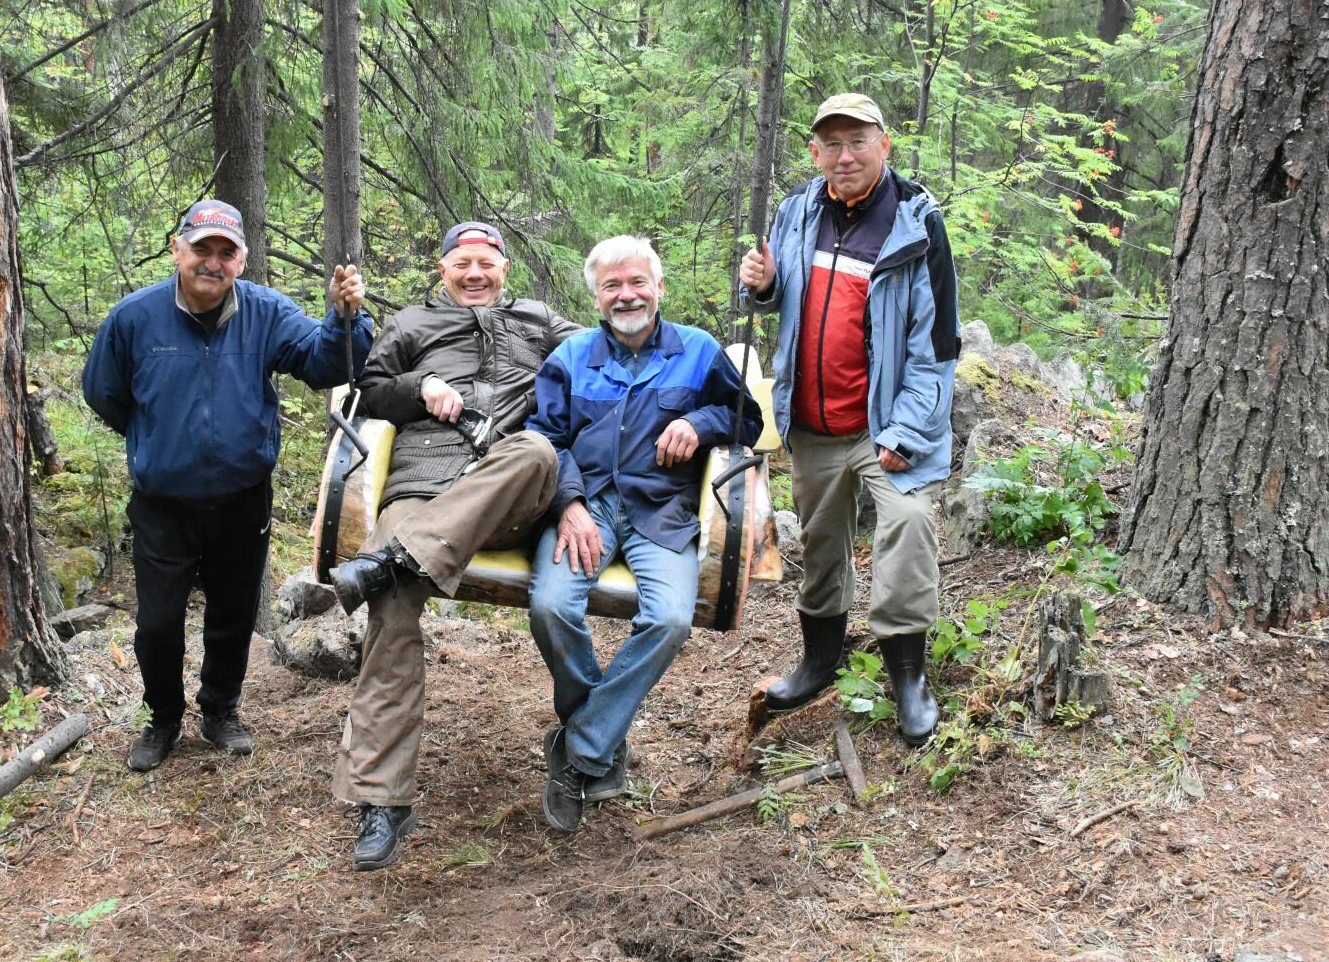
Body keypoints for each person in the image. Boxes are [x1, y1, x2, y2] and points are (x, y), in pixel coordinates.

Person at [83, 199, 372, 772]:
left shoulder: (264, 312)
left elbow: (323, 366)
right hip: (163, 503)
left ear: (241, 259)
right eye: (202, 249)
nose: (212, 262)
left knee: (233, 613)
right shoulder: (134, 318)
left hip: (242, 499)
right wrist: (157, 439)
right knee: (158, 623)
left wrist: (346, 319)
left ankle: (220, 711)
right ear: (177, 250)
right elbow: (104, 393)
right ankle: (162, 718)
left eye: (226, 252)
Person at [328, 221, 580, 871]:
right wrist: (418, 389)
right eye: (461, 263)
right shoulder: (411, 323)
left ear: (504, 269)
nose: (474, 273)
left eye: (485, 263)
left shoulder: (539, 320)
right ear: (442, 270)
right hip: (420, 487)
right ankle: (383, 801)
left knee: (533, 448)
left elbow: (596, 355)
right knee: (390, 615)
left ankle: (389, 562)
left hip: (505, 495)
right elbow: (373, 388)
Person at [738, 92, 960, 746]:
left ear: (883, 145)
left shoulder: (916, 226)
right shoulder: (794, 212)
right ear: (814, 152)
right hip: (810, 420)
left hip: (887, 423)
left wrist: (905, 432)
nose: (844, 156)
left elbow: (936, 345)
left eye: (857, 141)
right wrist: (762, 285)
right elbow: (779, 300)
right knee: (821, 540)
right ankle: (819, 660)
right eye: (830, 144)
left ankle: (907, 674)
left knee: (910, 521)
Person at [527, 235, 763, 834]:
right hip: (589, 508)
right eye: (612, 286)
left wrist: (698, 420)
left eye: (637, 283)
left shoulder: (699, 350)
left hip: (663, 510)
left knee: (670, 619)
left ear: (659, 288)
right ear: (596, 296)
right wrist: (569, 503)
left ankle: (579, 748)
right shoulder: (572, 356)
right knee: (552, 605)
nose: (625, 295)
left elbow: (748, 419)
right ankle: (601, 743)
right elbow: (544, 438)